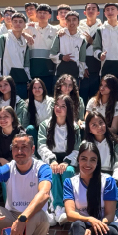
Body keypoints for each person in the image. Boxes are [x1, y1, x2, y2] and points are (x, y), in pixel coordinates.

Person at [37, 95, 82, 224]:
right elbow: (42, 146)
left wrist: (66, 162)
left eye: (63, 106)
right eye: (57, 105)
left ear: (68, 109)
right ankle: (57, 208)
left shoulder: (74, 127)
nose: (59, 108)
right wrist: (52, 160)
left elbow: (77, 148)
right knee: (52, 172)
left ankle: (68, 207)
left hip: (67, 159)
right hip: (51, 159)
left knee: (67, 171)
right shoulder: (45, 125)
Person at [92, 3, 118, 101]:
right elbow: (95, 48)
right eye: (107, 10)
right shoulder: (101, 30)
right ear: (104, 13)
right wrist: (99, 55)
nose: (110, 12)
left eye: (112, 9)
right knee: (106, 100)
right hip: (106, 69)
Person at [0, 12, 31, 97]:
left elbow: (26, 63)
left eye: (20, 22)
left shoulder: (25, 41)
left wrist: (28, 79)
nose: (18, 24)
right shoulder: (3, 38)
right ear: (11, 23)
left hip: (21, 80)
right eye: (15, 21)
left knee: (20, 105)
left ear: (24, 25)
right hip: (5, 80)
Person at [24, 4, 59, 94]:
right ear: (36, 14)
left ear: (50, 16)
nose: (42, 15)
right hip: (32, 70)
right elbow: (14, 31)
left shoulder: (55, 30)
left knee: (48, 96)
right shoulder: (29, 28)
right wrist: (24, 34)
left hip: (49, 71)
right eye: (40, 12)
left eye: (45, 13)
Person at [50, 11, 87, 81]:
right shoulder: (60, 36)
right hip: (60, 74)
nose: (71, 22)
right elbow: (52, 54)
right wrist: (62, 57)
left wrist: (81, 75)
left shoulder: (82, 39)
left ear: (78, 22)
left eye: (74, 19)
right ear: (66, 23)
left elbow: (82, 60)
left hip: (75, 75)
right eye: (69, 20)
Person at [78, 2, 103, 102]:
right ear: (84, 12)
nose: (91, 11)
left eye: (93, 9)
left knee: (95, 97)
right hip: (82, 63)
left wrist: (92, 42)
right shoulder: (78, 27)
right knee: (81, 96)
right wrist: (83, 66)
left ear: (98, 12)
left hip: (97, 63)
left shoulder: (102, 27)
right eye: (88, 9)